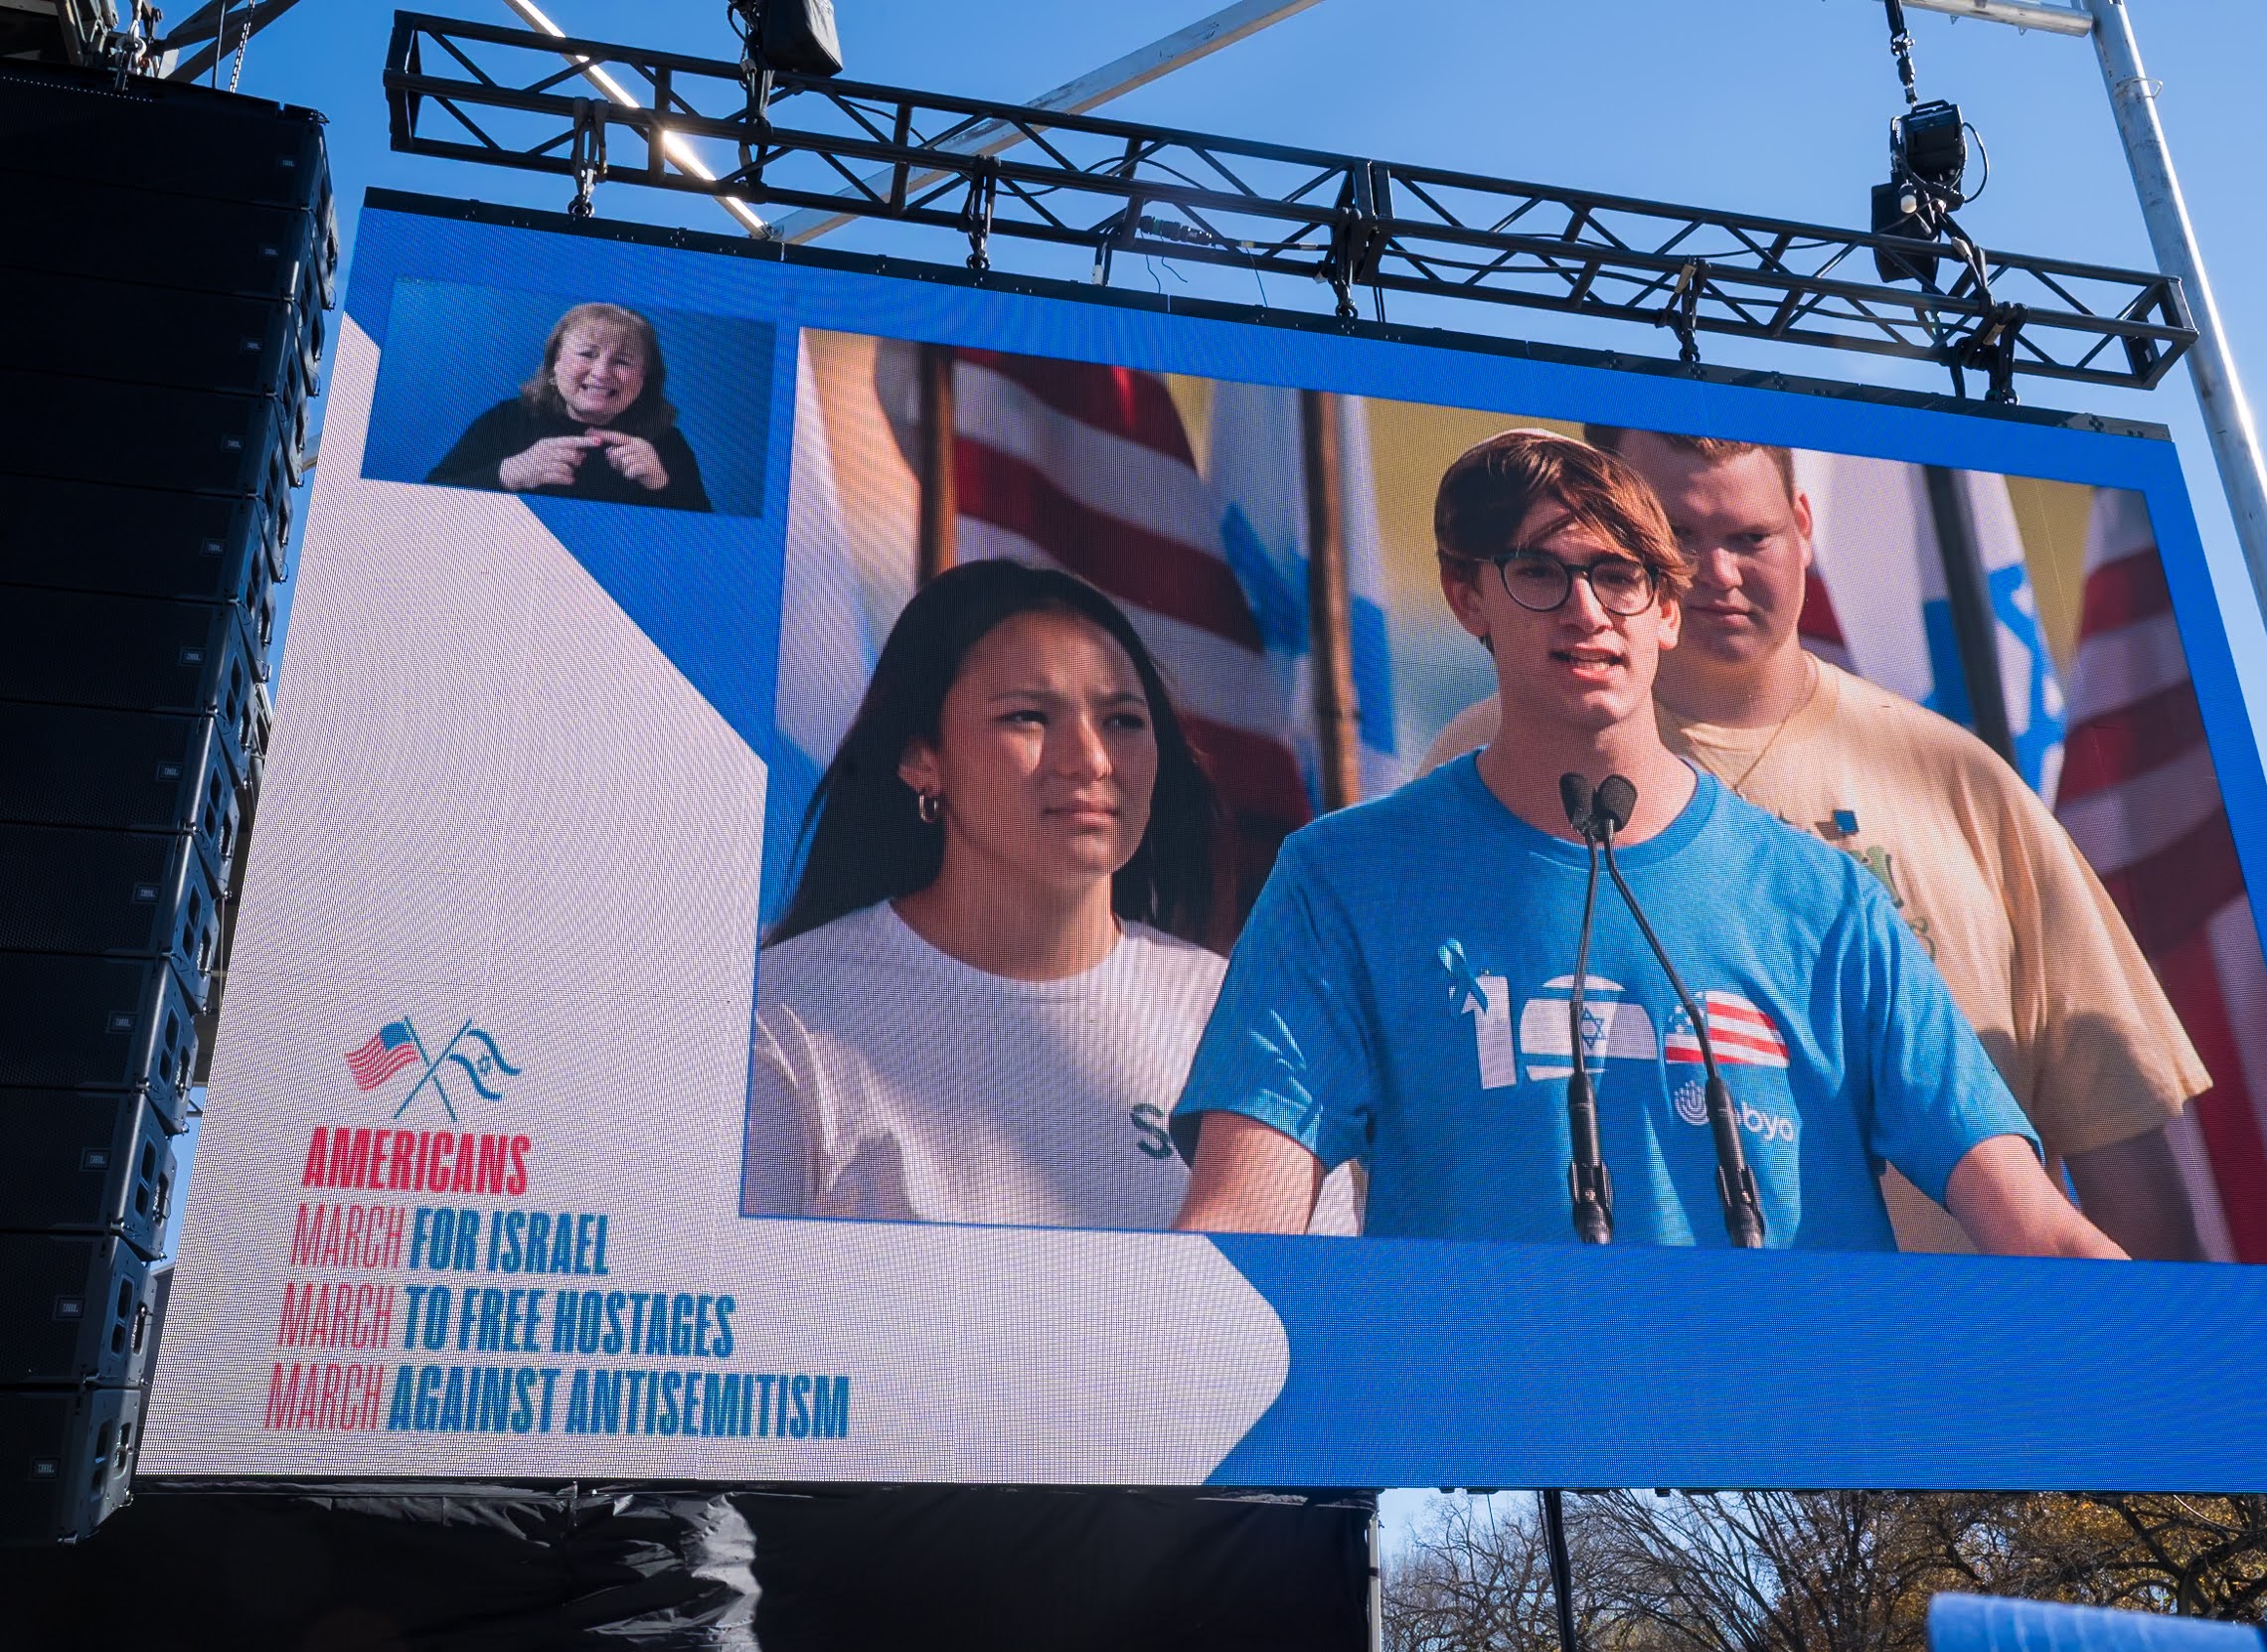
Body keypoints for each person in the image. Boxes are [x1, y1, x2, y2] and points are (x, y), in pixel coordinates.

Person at [1171, 429, 2122, 1256]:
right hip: (1487, 1456)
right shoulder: (1343, 878)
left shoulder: (1830, 903)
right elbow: (1239, 1227)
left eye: (1621, 576)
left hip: (1806, 1453)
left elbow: (2034, 1224)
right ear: (1468, 598)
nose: (1587, 612)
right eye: (1541, 572)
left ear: (1667, 610)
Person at [1418, 432, 2208, 1260]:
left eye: (1750, 537)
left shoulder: (1961, 783)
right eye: (1678, 539)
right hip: (1582, 1362)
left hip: (1941, 1375)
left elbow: (2128, 1174)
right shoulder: (1485, 771)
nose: (1718, 573)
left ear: (1803, 526)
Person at [744, 558, 1355, 1234]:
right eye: (1029, 717)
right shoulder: (782, 1019)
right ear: (922, 758)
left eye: (1123, 720)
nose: (1090, 759)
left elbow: (1317, 1316)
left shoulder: (1248, 1023)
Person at [427, 301, 713, 512]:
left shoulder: (667, 443)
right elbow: (424, 505)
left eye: (622, 361)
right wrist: (508, 473)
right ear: (555, 364)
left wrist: (660, 485)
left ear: (644, 379)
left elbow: (707, 546)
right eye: (587, 354)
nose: (601, 373)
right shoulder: (507, 420)